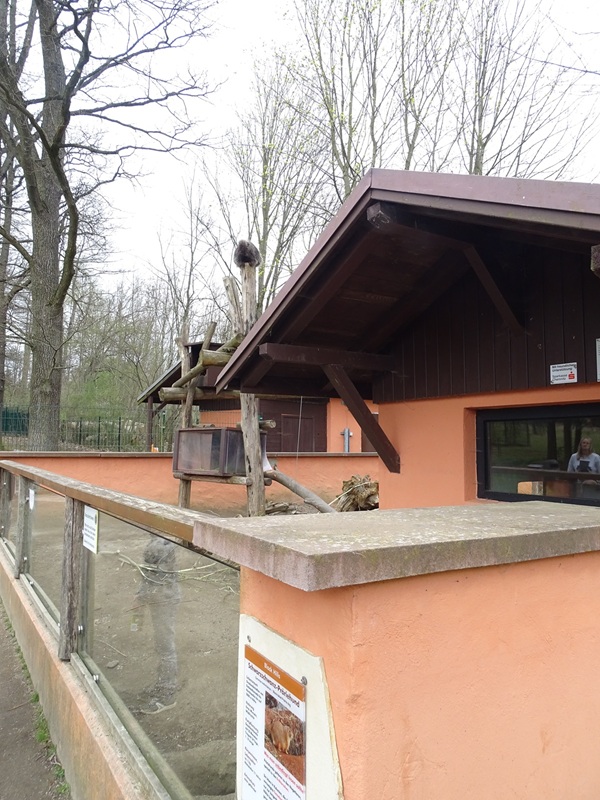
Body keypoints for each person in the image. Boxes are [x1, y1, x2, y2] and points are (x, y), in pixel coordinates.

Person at [134, 537, 181, 715]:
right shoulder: (160, 542)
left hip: (164, 599)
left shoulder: (164, 547)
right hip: (160, 598)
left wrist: (143, 596)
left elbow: (155, 576)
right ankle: (162, 683)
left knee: (166, 647)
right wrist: (140, 595)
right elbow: (149, 575)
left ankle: (168, 694)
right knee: (161, 645)